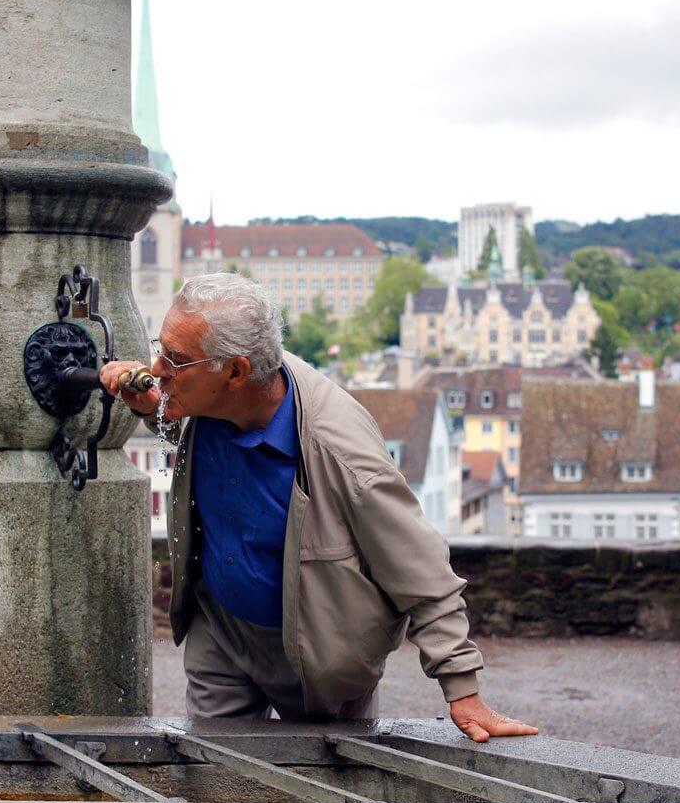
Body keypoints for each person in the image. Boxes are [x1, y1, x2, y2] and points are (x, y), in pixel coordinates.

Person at [101, 272, 537, 741]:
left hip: (322, 653)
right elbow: (175, 425)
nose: (157, 367)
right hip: (222, 632)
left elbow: (418, 566)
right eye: (159, 349)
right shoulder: (210, 395)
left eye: (176, 359)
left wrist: (462, 688)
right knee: (218, 779)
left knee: (326, 793)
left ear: (235, 372)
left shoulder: (341, 449)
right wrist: (151, 406)